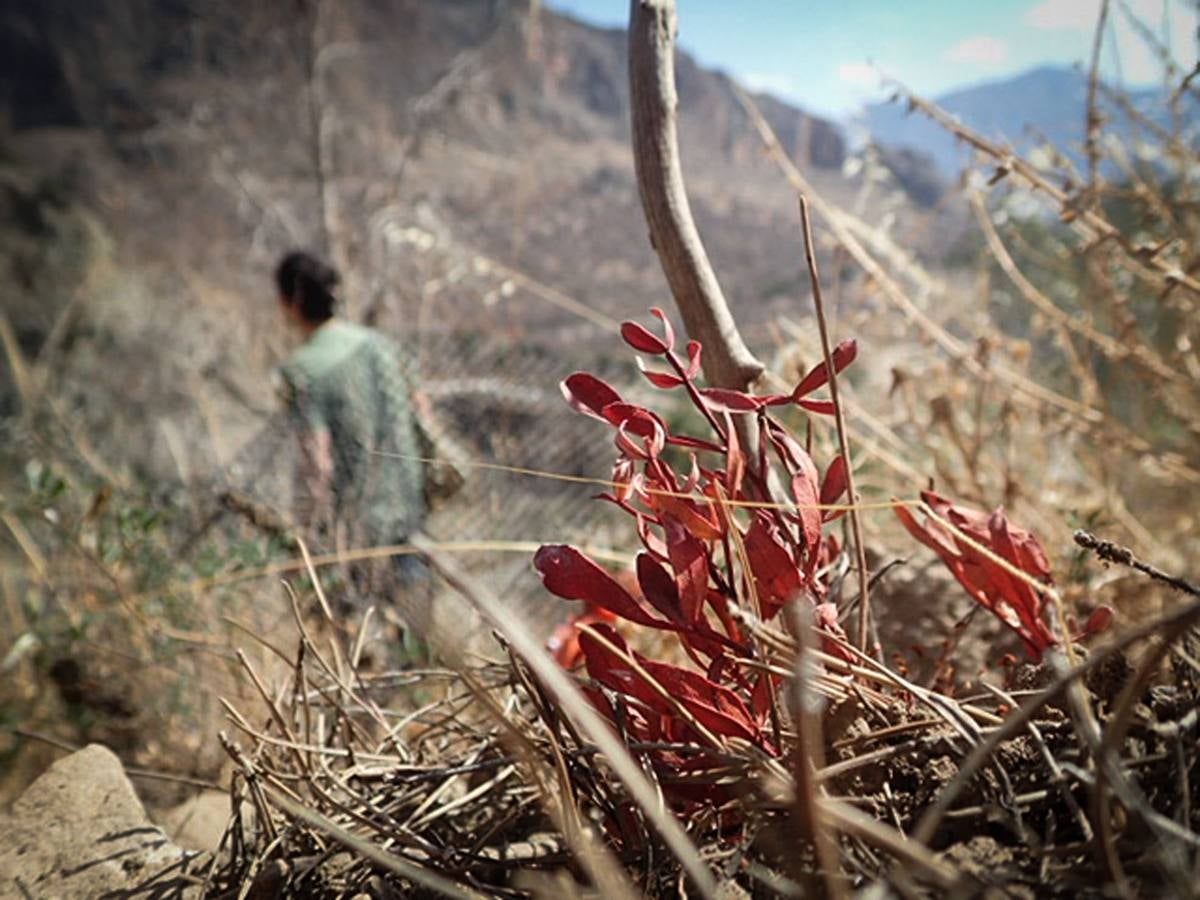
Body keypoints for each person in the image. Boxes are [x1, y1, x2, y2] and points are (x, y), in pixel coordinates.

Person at [273, 250, 434, 644]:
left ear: (290, 302)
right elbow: (423, 412)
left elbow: (317, 466)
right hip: (409, 505)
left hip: (355, 527)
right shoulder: (378, 344)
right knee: (414, 638)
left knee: (362, 642)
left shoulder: (301, 369)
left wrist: (304, 541)